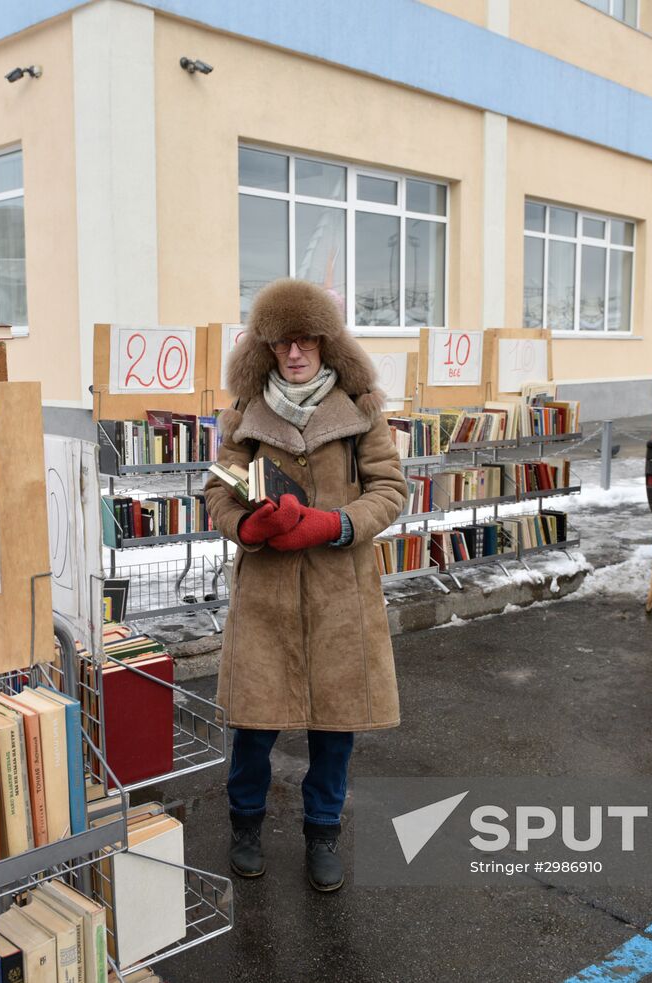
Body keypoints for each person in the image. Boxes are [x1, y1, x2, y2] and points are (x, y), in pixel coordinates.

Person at [202, 278, 407, 893]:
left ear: (326, 343)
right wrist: (247, 524)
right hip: (264, 598)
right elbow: (219, 489)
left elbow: (391, 491)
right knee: (255, 727)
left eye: (307, 340)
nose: (295, 353)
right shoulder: (241, 415)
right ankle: (245, 828)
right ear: (266, 347)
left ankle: (323, 834)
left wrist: (338, 523)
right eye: (283, 342)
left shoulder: (362, 408)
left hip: (339, 595)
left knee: (333, 729)